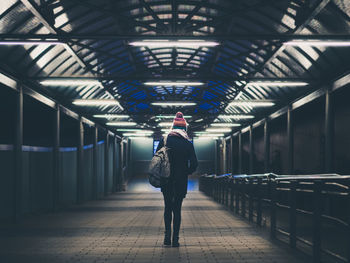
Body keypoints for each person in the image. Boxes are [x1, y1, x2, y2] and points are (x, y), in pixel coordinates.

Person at [156, 112, 198, 247]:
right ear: (184, 128)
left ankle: (167, 237)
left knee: (167, 207)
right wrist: (186, 172)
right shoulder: (187, 143)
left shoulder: (164, 140)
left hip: (166, 179)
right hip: (180, 181)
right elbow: (194, 163)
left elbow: (156, 158)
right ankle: (175, 239)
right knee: (177, 209)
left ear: (173, 127)